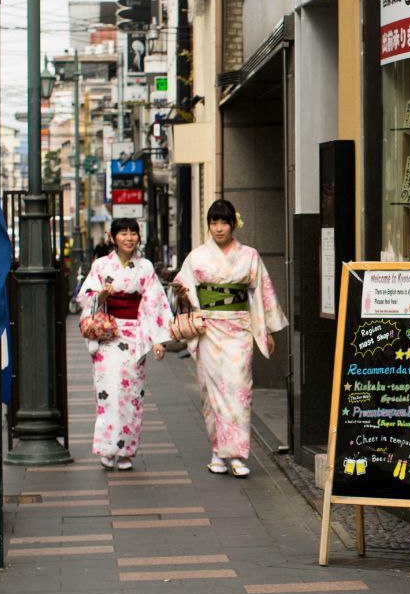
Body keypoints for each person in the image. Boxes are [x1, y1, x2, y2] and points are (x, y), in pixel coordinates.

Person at [173, 199, 287, 478]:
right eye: (214, 222)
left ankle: (236, 454)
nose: (219, 228)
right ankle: (217, 452)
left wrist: (267, 330)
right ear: (209, 225)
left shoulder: (249, 256)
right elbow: (182, 286)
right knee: (211, 393)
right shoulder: (197, 257)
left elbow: (262, 293)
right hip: (209, 330)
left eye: (224, 222)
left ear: (233, 224)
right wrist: (183, 293)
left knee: (239, 390)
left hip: (239, 329)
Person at [75, 218, 175, 471]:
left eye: (133, 233)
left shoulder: (145, 267)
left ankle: (127, 450)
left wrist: (158, 341)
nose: (129, 238)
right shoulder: (101, 265)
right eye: (123, 233)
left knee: (131, 394)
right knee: (107, 392)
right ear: (113, 237)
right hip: (109, 333)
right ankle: (108, 449)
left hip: (135, 335)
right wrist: (101, 296)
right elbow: (84, 297)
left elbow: (154, 303)